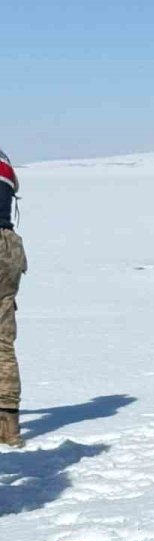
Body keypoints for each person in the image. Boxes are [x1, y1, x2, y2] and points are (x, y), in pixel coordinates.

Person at [0, 147, 25, 447]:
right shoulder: (4, 161)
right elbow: (13, 186)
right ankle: (8, 426)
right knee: (3, 340)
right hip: (9, 247)